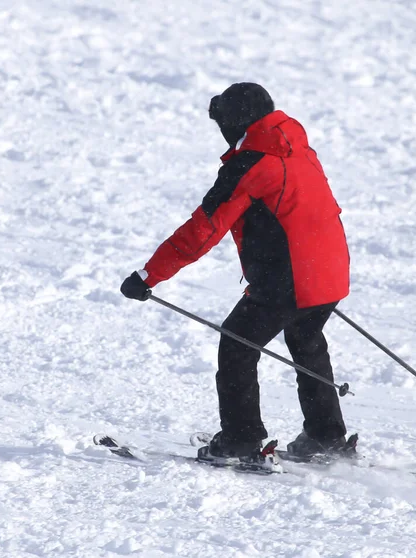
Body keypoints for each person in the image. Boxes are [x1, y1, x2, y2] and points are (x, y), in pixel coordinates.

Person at [120, 83, 352, 462]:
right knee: (306, 339)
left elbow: (202, 230)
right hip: (329, 272)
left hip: (289, 279)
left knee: (237, 345)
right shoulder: (297, 146)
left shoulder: (251, 163)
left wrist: (148, 276)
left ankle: (241, 441)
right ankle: (326, 435)